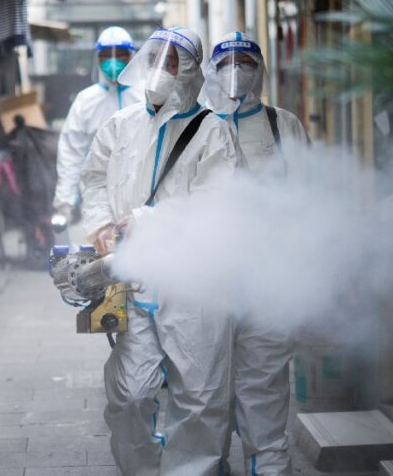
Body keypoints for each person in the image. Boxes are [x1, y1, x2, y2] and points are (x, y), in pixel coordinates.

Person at [80, 27, 238, 476]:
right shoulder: (121, 125)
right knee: (129, 391)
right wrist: (99, 224)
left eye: (171, 63)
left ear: (189, 72)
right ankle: (141, 468)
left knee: (200, 395)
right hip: (135, 278)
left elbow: (217, 203)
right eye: (153, 60)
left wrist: (150, 221)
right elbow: (93, 178)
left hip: (195, 285)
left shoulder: (212, 133)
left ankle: (196, 470)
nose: (159, 71)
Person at [200, 31, 309, 476]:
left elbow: (306, 201)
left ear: (260, 70)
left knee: (263, 389)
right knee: (206, 390)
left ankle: (268, 467)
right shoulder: (196, 127)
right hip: (207, 283)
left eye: (246, 63)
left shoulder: (283, 126)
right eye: (226, 64)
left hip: (269, 283)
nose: (236, 72)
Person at [53, 26, 142, 225]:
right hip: (99, 197)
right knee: (101, 250)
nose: (113, 62)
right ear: (96, 59)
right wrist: (64, 202)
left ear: (132, 56)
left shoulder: (147, 96)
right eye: (105, 56)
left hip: (142, 194)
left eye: (120, 55)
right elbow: (71, 153)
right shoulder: (85, 101)